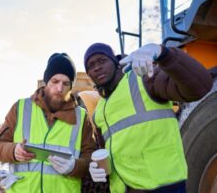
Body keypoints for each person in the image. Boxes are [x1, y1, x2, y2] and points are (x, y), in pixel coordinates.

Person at [83, 43, 213, 193]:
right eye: (90, 66)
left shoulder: (143, 80)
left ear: (115, 62)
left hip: (163, 188)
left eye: (102, 60)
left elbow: (200, 86)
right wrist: (98, 168)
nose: (96, 67)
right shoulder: (99, 111)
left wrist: (165, 54)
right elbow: (110, 152)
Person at [0, 53, 96, 193]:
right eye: (55, 81)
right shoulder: (21, 108)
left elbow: (91, 159)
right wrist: (13, 151)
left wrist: (74, 166)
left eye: (66, 83)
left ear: (71, 86)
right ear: (46, 81)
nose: (59, 89)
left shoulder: (81, 117)